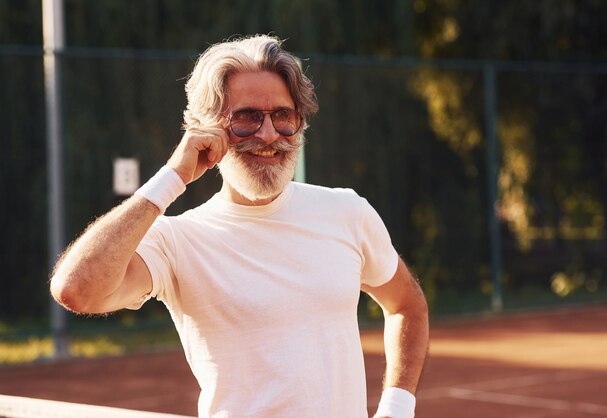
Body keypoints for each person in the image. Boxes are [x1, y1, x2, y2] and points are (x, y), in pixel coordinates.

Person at [50, 34, 429, 418]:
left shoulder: (347, 211)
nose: (268, 135)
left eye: (283, 116)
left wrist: (397, 408)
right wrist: (173, 177)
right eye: (246, 118)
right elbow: (77, 290)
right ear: (206, 129)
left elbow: (407, 306)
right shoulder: (176, 240)